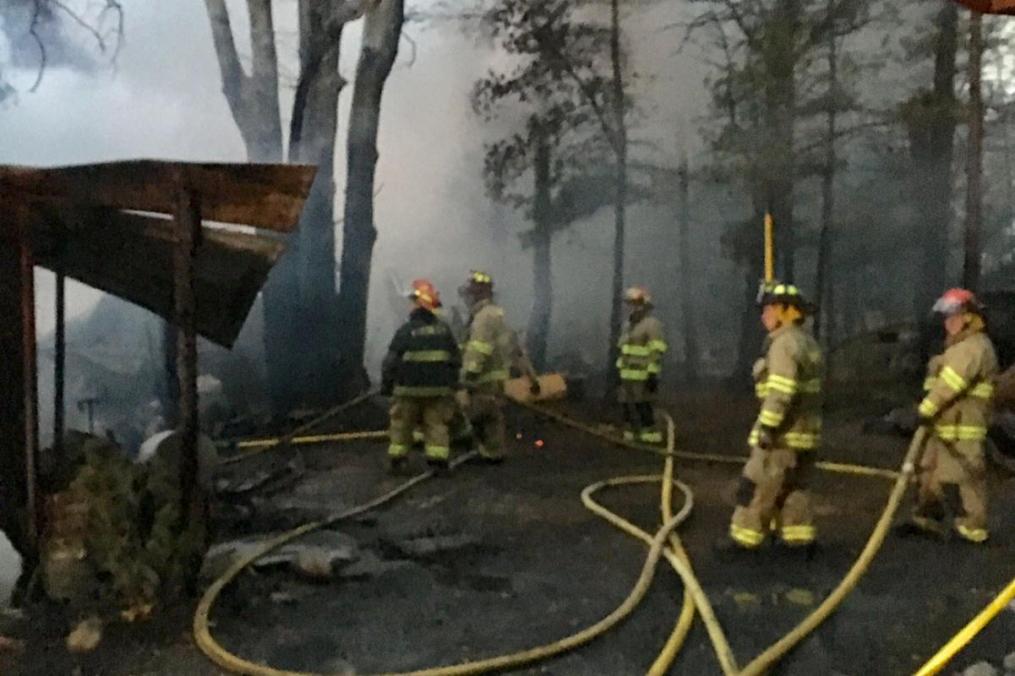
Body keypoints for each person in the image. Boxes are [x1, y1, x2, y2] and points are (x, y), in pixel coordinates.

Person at [728, 282, 823, 552]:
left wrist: (767, 427)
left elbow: (781, 391)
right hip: (805, 437)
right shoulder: (808, 342)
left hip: (781, 437)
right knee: (794, 492)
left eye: (769, 309)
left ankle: (744, 543)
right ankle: (798, 543)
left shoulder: (784, 344)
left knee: (755, 487)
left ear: (785, 311)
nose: (763, 316)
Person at [910, 288, 999, 543]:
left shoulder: (973, 348)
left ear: (970, 317)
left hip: (963, 429)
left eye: (955, 316)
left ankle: (972, 529)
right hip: (943, 427)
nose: (949, 322)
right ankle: (927, 520)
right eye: (946, 317)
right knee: (929, 473)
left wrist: (924, 410)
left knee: (964, 478)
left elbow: (949, 385)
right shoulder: (956, 348)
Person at [381, 279, 461, 474]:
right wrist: (452, 383)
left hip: (407, 389)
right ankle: (438, 462)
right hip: (438, 390)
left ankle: (398, 461)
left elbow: (390, 361)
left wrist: (387, 386)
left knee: (402, 425)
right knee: (436, 425)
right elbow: (456, 359)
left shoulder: (406, 331)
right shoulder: (444, 331)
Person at [458, 270, 538, 463]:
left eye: (470, 293)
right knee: (492, 418)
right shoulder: (497, 316)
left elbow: (479, 349)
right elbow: (516, 350)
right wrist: (531, 377)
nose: (467, 298)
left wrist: (467, 376)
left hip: (481, 379)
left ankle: (474, 447)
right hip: (497, 380)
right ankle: (493, 453)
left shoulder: (484, 318)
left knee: (468, 413)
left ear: (477, 294)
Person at [615, 286, 667, 444]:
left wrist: (652, 374)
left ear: (645, 305)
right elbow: (623, 350)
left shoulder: (652, 325)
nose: (633, 307)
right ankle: (631, 433)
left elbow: (656, 351)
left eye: (636, 303)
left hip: (643, 376)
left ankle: (650, 436)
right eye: (630, 303)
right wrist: (618, 371)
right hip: (626, 377)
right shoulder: (627, 326)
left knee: (644, 406)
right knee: (627, 407)